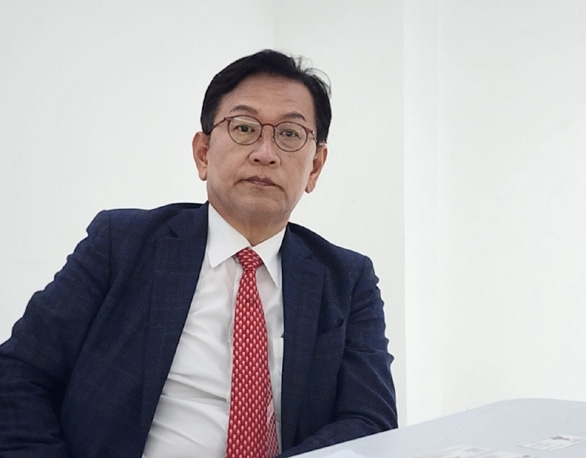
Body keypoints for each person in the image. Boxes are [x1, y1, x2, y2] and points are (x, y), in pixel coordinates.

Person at [0, 49, 397, 457]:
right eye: (244, 128)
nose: (265, 152)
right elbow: (20, 371)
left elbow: (370, 421)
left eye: (290, 134)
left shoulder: (348, 280)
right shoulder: (122, 243)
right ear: (203, 153)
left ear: (314, 167)